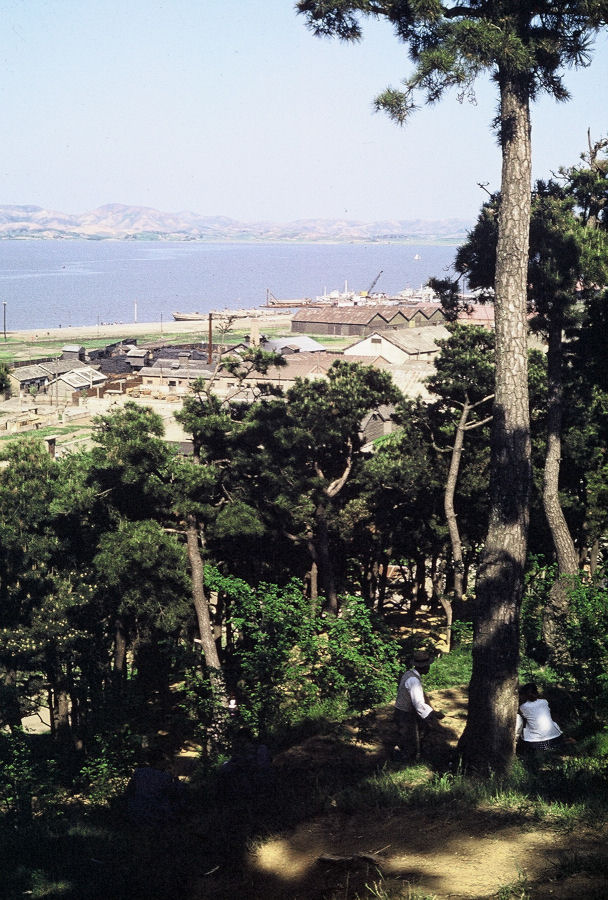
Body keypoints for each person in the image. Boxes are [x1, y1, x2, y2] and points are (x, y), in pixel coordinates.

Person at [394, 650, 441, 762]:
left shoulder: (408, 674)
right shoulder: (414, 681)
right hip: (404, 714)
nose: (429, 668)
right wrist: (432, 714)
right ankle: (403, 761)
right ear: (423, 667)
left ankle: (403, 755)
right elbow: (419, 704)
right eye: (428, 665)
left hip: (402, 711)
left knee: (410, 736)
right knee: (408, 741)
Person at [516, 682, 568, 761]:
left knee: (519, 719)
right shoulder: (544, 702)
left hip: (536, 742)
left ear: (524, 695)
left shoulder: (523, 707)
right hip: (555, 738)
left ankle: (521, 751)